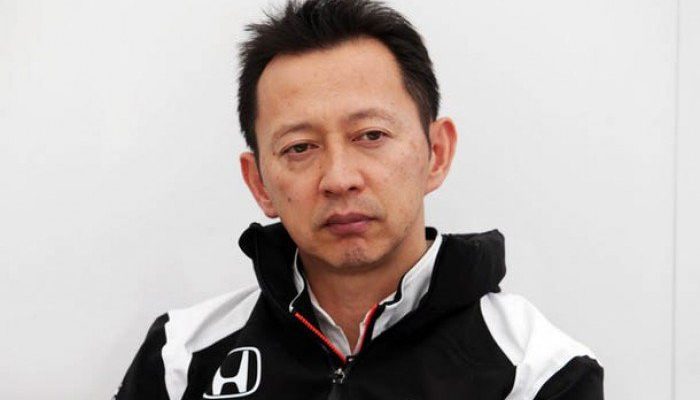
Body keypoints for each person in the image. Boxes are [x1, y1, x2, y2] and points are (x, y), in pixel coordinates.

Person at [115, 0, 604, 399]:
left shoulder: (538, 371)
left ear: (436, 153)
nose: (340, 178)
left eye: (371, 135)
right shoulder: (180, 360)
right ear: (259, 182)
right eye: (300, 147)